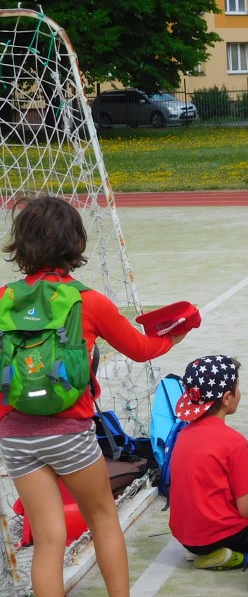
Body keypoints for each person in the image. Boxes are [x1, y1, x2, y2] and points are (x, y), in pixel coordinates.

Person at [0, 195, 185, 597]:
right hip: (69, 433)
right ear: (77, 243)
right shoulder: (88, 302)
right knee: (102, 518)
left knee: (48, 539)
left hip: (15, 435)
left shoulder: (3, 299)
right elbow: (141, 349)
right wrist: (173, 336)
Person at [168, 355, 248, 570]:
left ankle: (204, 551)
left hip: (187, 537)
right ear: (227, 397)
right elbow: (247, 510)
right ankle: (242, 557)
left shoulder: (183, 436)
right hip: (226, 535)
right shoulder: (234, 442)